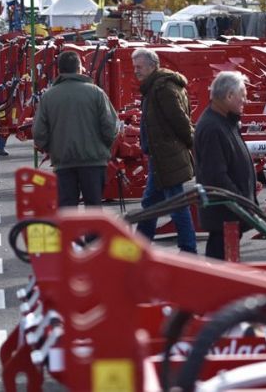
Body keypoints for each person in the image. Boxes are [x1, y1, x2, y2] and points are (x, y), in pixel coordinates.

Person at [32, 50, 118, 207]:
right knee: (94, 207)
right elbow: (111, 127)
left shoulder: (48, 96)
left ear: (59, 70)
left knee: (67, 209)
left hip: (63, 161)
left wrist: (52, 149)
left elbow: (39, 132)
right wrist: (103, 147)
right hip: (93, 161)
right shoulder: (96, 93)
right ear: (79, 68)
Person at [132, 48, 197, 253]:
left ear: (152, 66)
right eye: (134, 67)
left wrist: (191, 144)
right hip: (161, 156)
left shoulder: (162, 89)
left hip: (167, 156)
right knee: (152, 203)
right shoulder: (157, 86)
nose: (136, 71)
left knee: (175, 204)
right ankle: (139, 246)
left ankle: (188, 249)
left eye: (139, 67)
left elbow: (180, 121)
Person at [194, 71, 256, 260]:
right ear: (229, 96)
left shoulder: (225, 121)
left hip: (230, 212)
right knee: (219, 261)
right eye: (242, 95)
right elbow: (216, 175)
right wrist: (241, 200)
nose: (245, 101)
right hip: (225, 213)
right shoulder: (213, 127)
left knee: (222, 259)